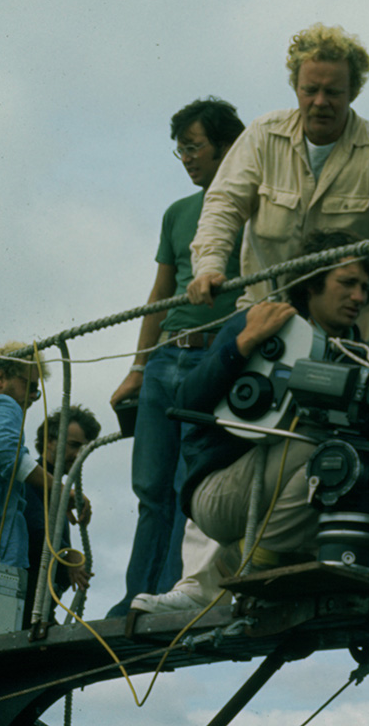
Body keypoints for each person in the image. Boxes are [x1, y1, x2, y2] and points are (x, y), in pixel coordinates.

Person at [132, 231, 369, 613]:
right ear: (312, 282)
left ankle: (290, 574)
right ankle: (247, 566)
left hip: (292, 493)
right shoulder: (263, 319)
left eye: (366, 287)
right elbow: (187, 399)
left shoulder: (361, 355)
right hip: (221, 494)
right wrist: (242, 344)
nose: (360, 297)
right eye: (348, 283)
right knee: (316, 446)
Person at [187, 22, 369, 341]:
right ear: (295, 87)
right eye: (310, 90)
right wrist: (209, 266)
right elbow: (223, 206)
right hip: (262, 324)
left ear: (353, 91)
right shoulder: (262, 136)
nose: (320, 101)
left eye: (333, 92)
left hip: (347, 339)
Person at [106, 98, 247, 617]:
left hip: (215, 360)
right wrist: (138, 367)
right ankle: (132, 598)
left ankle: (173, 592)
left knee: (192, 482)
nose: (186, 158)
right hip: (166, 358)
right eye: (180, 150)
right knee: (150, 485)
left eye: (194, 147)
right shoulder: (177, 213)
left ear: (228, 146)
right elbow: (161, 294)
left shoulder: (255, 208)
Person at [0, 343, 83, 570]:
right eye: (29, 386)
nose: (34, 397)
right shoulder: (3, 403)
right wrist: (59, 490)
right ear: (0, 378)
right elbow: (5, 454)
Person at [23, 405, 101, 629]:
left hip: (39, 609)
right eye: (74, 445)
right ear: (49, 441)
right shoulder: (32, 480)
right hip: (24, 608)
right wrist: (68, 554)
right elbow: (34, 531)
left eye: (85, 449)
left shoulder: (56, 491)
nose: (79, 455)